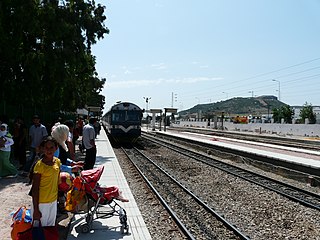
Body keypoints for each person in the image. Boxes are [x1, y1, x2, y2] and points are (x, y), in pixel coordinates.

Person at [31, 136, 60, 226]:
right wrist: (36, 209)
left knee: (50, 228)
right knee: (40, 231)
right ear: (43, 149)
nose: (49, 150)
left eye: (51, 147)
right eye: (46, 148)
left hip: (53, 201)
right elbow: (35, 189)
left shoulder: (57, 162)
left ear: (56, 148)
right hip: (41, 203)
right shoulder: (39, 166)